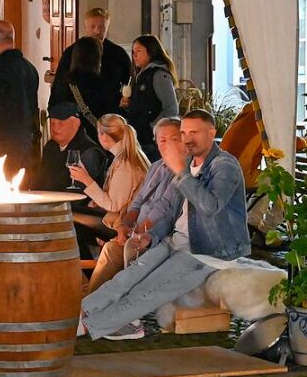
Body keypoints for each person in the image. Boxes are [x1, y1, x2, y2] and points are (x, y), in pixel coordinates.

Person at [80, 109, 251, 341]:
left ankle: (88, 327)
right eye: (184, 132)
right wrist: (152, 235)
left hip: (209, 251)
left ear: (212, 133)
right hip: (175, 240)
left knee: (146, 290)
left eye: (194, 132)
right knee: (127, 278)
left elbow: (210, 206)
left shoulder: (224, 165)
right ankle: (81, 313)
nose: (188, 138)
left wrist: (180, 172)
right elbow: (172, 213)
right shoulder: (187, 165)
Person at [86, 117, 182, 294]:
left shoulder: (185, 173)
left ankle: (104, 309)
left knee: (80, 223)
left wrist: (136, 233)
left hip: (156, 236)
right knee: (110, 249)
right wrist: (125, 226)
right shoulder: (156, 167)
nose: (167, 144)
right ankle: (89, 309)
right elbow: (137, 203)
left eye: (174, 139)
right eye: (162, 140)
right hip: (134, 228)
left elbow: (163, 210)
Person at [67, 114, 150, 258]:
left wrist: (86, 180)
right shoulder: (124, 156)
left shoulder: (126, 163)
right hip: (121, 217)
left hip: (124, 224)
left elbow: (113, 205)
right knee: (73, 215)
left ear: (104, 136)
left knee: (68, 216)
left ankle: (85, 270)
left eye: (99, 132)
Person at [0, 20, 39, 185]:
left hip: (1, 144)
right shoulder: (30, 68)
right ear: (13, 39)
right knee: (21, 191)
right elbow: (33, 108)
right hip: (25, 142)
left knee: (0, 195)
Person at [51, 7, 132, 111]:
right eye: (93, 26)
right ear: (86, 27)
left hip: (109, 112)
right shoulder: (71, 53)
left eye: (101, 27)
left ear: (107, 28)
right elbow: (59, 83)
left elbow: (128, 81)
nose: (97, 31)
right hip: (77, 110)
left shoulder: (118, 53)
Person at [50, 36, 121, 139]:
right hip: (95, 138)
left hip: (68, 137)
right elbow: (111, 111)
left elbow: (53, 104)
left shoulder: (65, 81)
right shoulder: (102, 83)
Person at [123, 35, 179, 160]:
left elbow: (171, 108)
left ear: (151, 52)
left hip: (150, 140)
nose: (134, 55)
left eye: (138, 51)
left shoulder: (158, 75)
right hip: (139, 136)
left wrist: (153, 127)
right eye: (133, 52)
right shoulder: (140, 75)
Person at [33, 103, 108, 193]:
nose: (55, 128)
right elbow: (40, 180)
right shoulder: (50, 146)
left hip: (74, 205)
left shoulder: (89, 152)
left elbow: (79, 193)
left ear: (76, 123)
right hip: (48, 202)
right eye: (52, 123)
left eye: (61, 123)